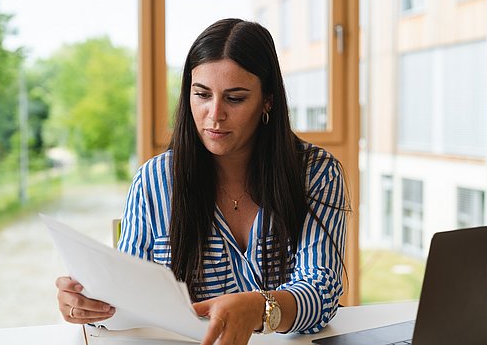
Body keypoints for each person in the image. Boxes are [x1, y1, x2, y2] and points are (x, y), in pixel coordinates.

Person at [55, 18, 348, 345]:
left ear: (268, 100)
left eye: (235, 98)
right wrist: (88, 301)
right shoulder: (155, 181)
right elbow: (128, 297)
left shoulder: (316, 173)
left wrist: (259, 309)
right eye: (202, 95)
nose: (214, 114)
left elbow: (321, 290)